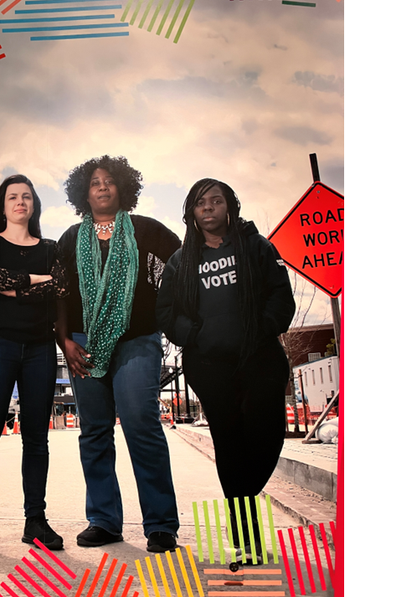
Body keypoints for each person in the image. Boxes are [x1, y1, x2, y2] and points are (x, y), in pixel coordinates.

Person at [155, 178, 295, 562]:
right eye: (202, 202)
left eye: (216, 200)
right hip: (210, 365)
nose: (209, 207)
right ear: (192, 212)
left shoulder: (256, 247)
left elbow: (281, 296)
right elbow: (166, 311)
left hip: (259, 358)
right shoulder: (181, 261)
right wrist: (192, 334)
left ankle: (241, 495)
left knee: (268, 438)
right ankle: (247, 538)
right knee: (230, 446)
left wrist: (260, 327)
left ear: (229, 206)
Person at [55, 155, 182, 553]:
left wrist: (170, 319)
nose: (103, 186)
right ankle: (104, 520)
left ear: (123, 187)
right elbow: (57, 295)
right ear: (84, 193)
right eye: (94, 182)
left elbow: (183, 269)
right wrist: (64, 341)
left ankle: (161, 525)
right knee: (94, 432)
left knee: (141, 423)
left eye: (109, 180)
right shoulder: (71, 238)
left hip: (138, 340)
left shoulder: (147, 231)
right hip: (83, 344)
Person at [0, 174, 67, 556]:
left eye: (26, 196)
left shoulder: (51, 248)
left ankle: (35, 521)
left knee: (37, 439)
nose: (20, 202)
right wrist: (37, 282)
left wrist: (16, 287)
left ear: (34, 204)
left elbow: (60, 288)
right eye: (12, 197)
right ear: (2, 206)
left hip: (40, 348)